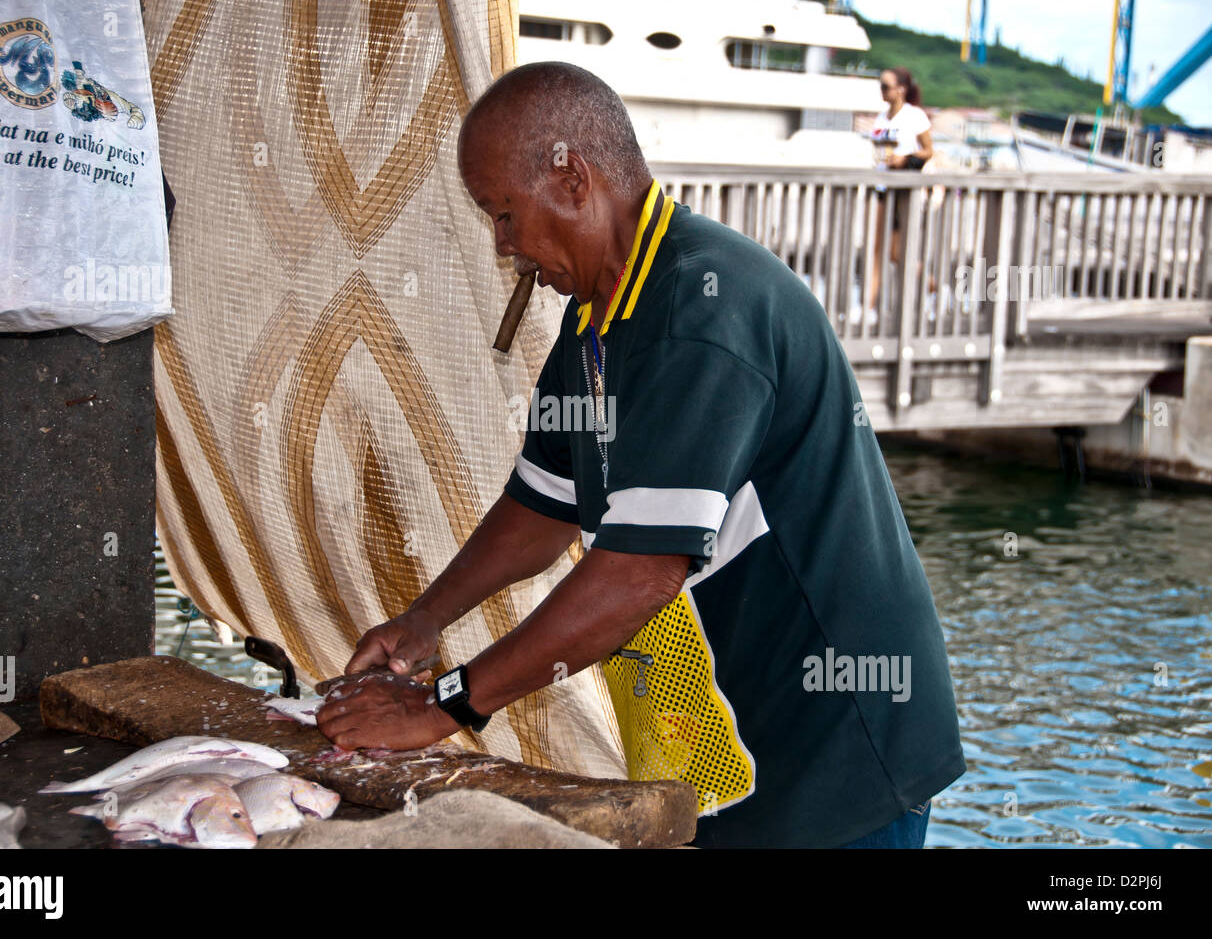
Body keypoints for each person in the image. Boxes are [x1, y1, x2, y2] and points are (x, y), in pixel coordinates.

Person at [317, 61, 965, 848]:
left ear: (573, 180)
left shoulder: (703, 310)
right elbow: (542, 507)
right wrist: (424, 621)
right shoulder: (595, 319)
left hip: (838, 747)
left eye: (505, 214)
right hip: (724, 737)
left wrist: (443, 705)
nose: (505, 245)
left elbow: (637, 573)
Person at [867, 67, 934, 315]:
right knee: (879, 250)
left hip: (906, 190)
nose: (882, 90)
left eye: (886, 86)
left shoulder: (914, 116)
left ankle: (930, 285)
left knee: (897, 252)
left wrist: (904, 158)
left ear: (901, 89)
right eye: (881, 85)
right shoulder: (881, 118)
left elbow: (928, 151)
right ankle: (868, 306)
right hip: (884, 186)